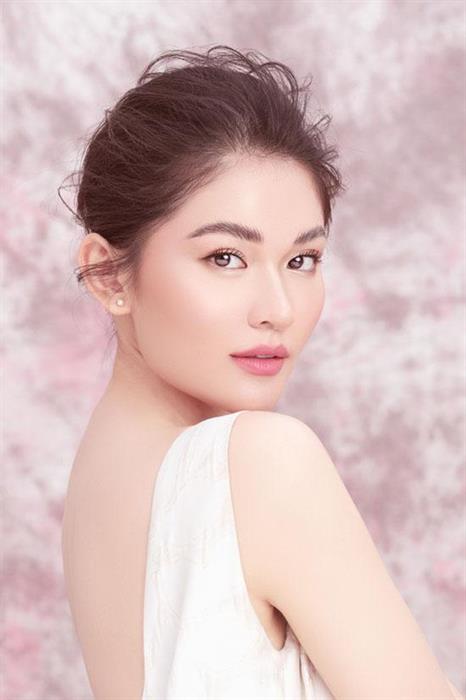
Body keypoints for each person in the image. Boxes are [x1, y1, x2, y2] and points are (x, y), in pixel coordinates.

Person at [59, 45, 463, 700]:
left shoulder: (98, 481)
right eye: (225, 257)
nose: (279, 310)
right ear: (108, 275)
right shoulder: (258, 463)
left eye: (302, 260)